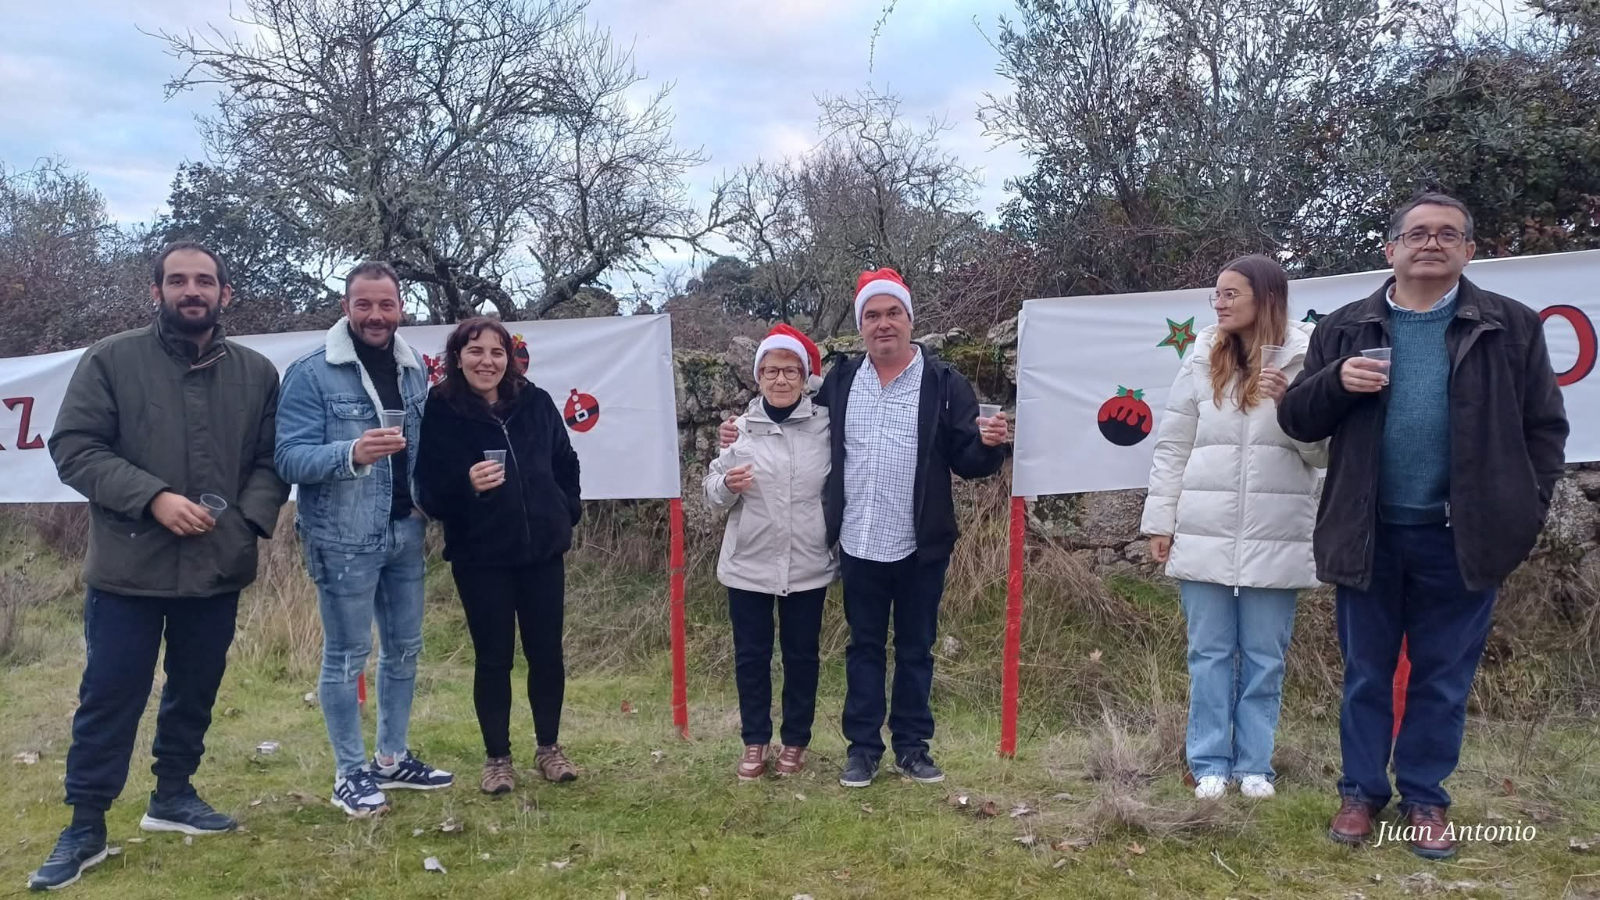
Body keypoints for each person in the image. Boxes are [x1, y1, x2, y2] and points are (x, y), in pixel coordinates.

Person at [1279, 193, 1568, 858]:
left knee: (1442, 677)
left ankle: (1426, 800)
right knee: (1365, 674)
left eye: (1447, 234)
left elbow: (1545, 431)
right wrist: (1334, 383)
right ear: (1390, 250)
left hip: (1461, 539)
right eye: (1417, 234)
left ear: (1470, 250)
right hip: (1368, 532)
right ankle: (1359, 794)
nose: (1431, 243)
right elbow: (1298, 420)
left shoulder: (1511, 327)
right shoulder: (1346, 328)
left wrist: (1523, 511)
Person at [31, 241, 290, 891]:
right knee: (110, 695)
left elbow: (270, 460)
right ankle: (86, 824)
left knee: (194, 691)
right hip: (128, 568)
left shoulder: (257, 373)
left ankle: (172, 796)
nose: (191, 290)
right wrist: (153, 498)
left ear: (225, 294)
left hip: (216, 566)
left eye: (204, 280)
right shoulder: (112, 360)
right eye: (177, 280)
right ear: (157, 292)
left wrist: (246, 521)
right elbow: (74, 448)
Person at [721, 268, 1011, 788]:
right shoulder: (842, 380)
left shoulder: (945, 383)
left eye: (892, 313)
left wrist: (990, 443)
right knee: (864, 647)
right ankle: (862, 749)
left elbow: (968, 460)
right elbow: (786, 410)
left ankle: (913, 746)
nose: (883, 324)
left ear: (909, 319)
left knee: (917, 647)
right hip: (857, 540)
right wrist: (738, 427)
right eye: (872, 316)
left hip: (921, 543)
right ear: (861, 326)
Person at [1141, 254, 1326, 803]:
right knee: (1209, 653)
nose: (1218, 303)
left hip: (1279, 530)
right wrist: (1161, 521)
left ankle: (1255, 766)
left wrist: (1290, 407)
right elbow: (1173, 445)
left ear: (1266, 298)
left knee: (1267, 656)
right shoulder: (1200, 354)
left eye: (1230, 294)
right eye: (1215, 294)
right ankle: (1209, 762)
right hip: (1203, 528)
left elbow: (1323, 456)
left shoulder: (1307, 355)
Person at [275, 261, 453, 818]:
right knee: (347, 655)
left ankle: (391, 759)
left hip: (405, 530)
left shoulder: (414, 371)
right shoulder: (311, 373)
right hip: (343, 537)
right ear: (346, 307)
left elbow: (424, 446)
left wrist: (431, 499)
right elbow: (286, 458)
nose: (376, 316)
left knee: (404, 650)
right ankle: (348, 773)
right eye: (364, 305)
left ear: (402, 308)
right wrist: (350, 454)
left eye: (386, 305)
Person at [414, 317, 583, 793]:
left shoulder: (535, 401)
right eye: (475, 351)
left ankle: (549, 749)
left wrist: (563, 512)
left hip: (542, 553)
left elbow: (565, 463)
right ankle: (497, 759)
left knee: (546, 654)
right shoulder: (443, 410)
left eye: (496, 352)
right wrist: (465, 484)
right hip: (480, 556)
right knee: (494, 659)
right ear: (457, 357)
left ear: (509, 358)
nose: (486, 361)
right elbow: (429, 487)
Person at [704, 324, 834, 781]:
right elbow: (712, 491)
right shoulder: (738, 431)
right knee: (752, 657)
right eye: (771, 370)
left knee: (802, 657)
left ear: (805, 377)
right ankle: (755, 740)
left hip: (807, 562)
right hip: (749, 563)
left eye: (790, 371)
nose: (781, 380)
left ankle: (796, 741)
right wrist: (725, 485)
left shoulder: (824, 425)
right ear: (758, 377)